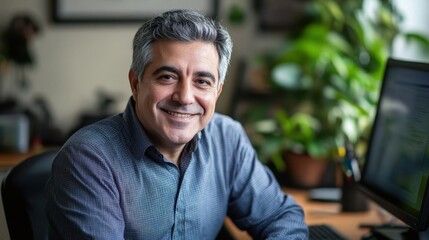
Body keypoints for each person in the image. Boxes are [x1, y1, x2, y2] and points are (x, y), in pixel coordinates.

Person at [45, 9, 308, 239]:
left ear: (216, 92)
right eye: (168, 77)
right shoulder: (89, 159)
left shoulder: (227, 137)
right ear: (136, 84)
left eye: (202, 81)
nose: (184, 97)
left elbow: (281, 216)